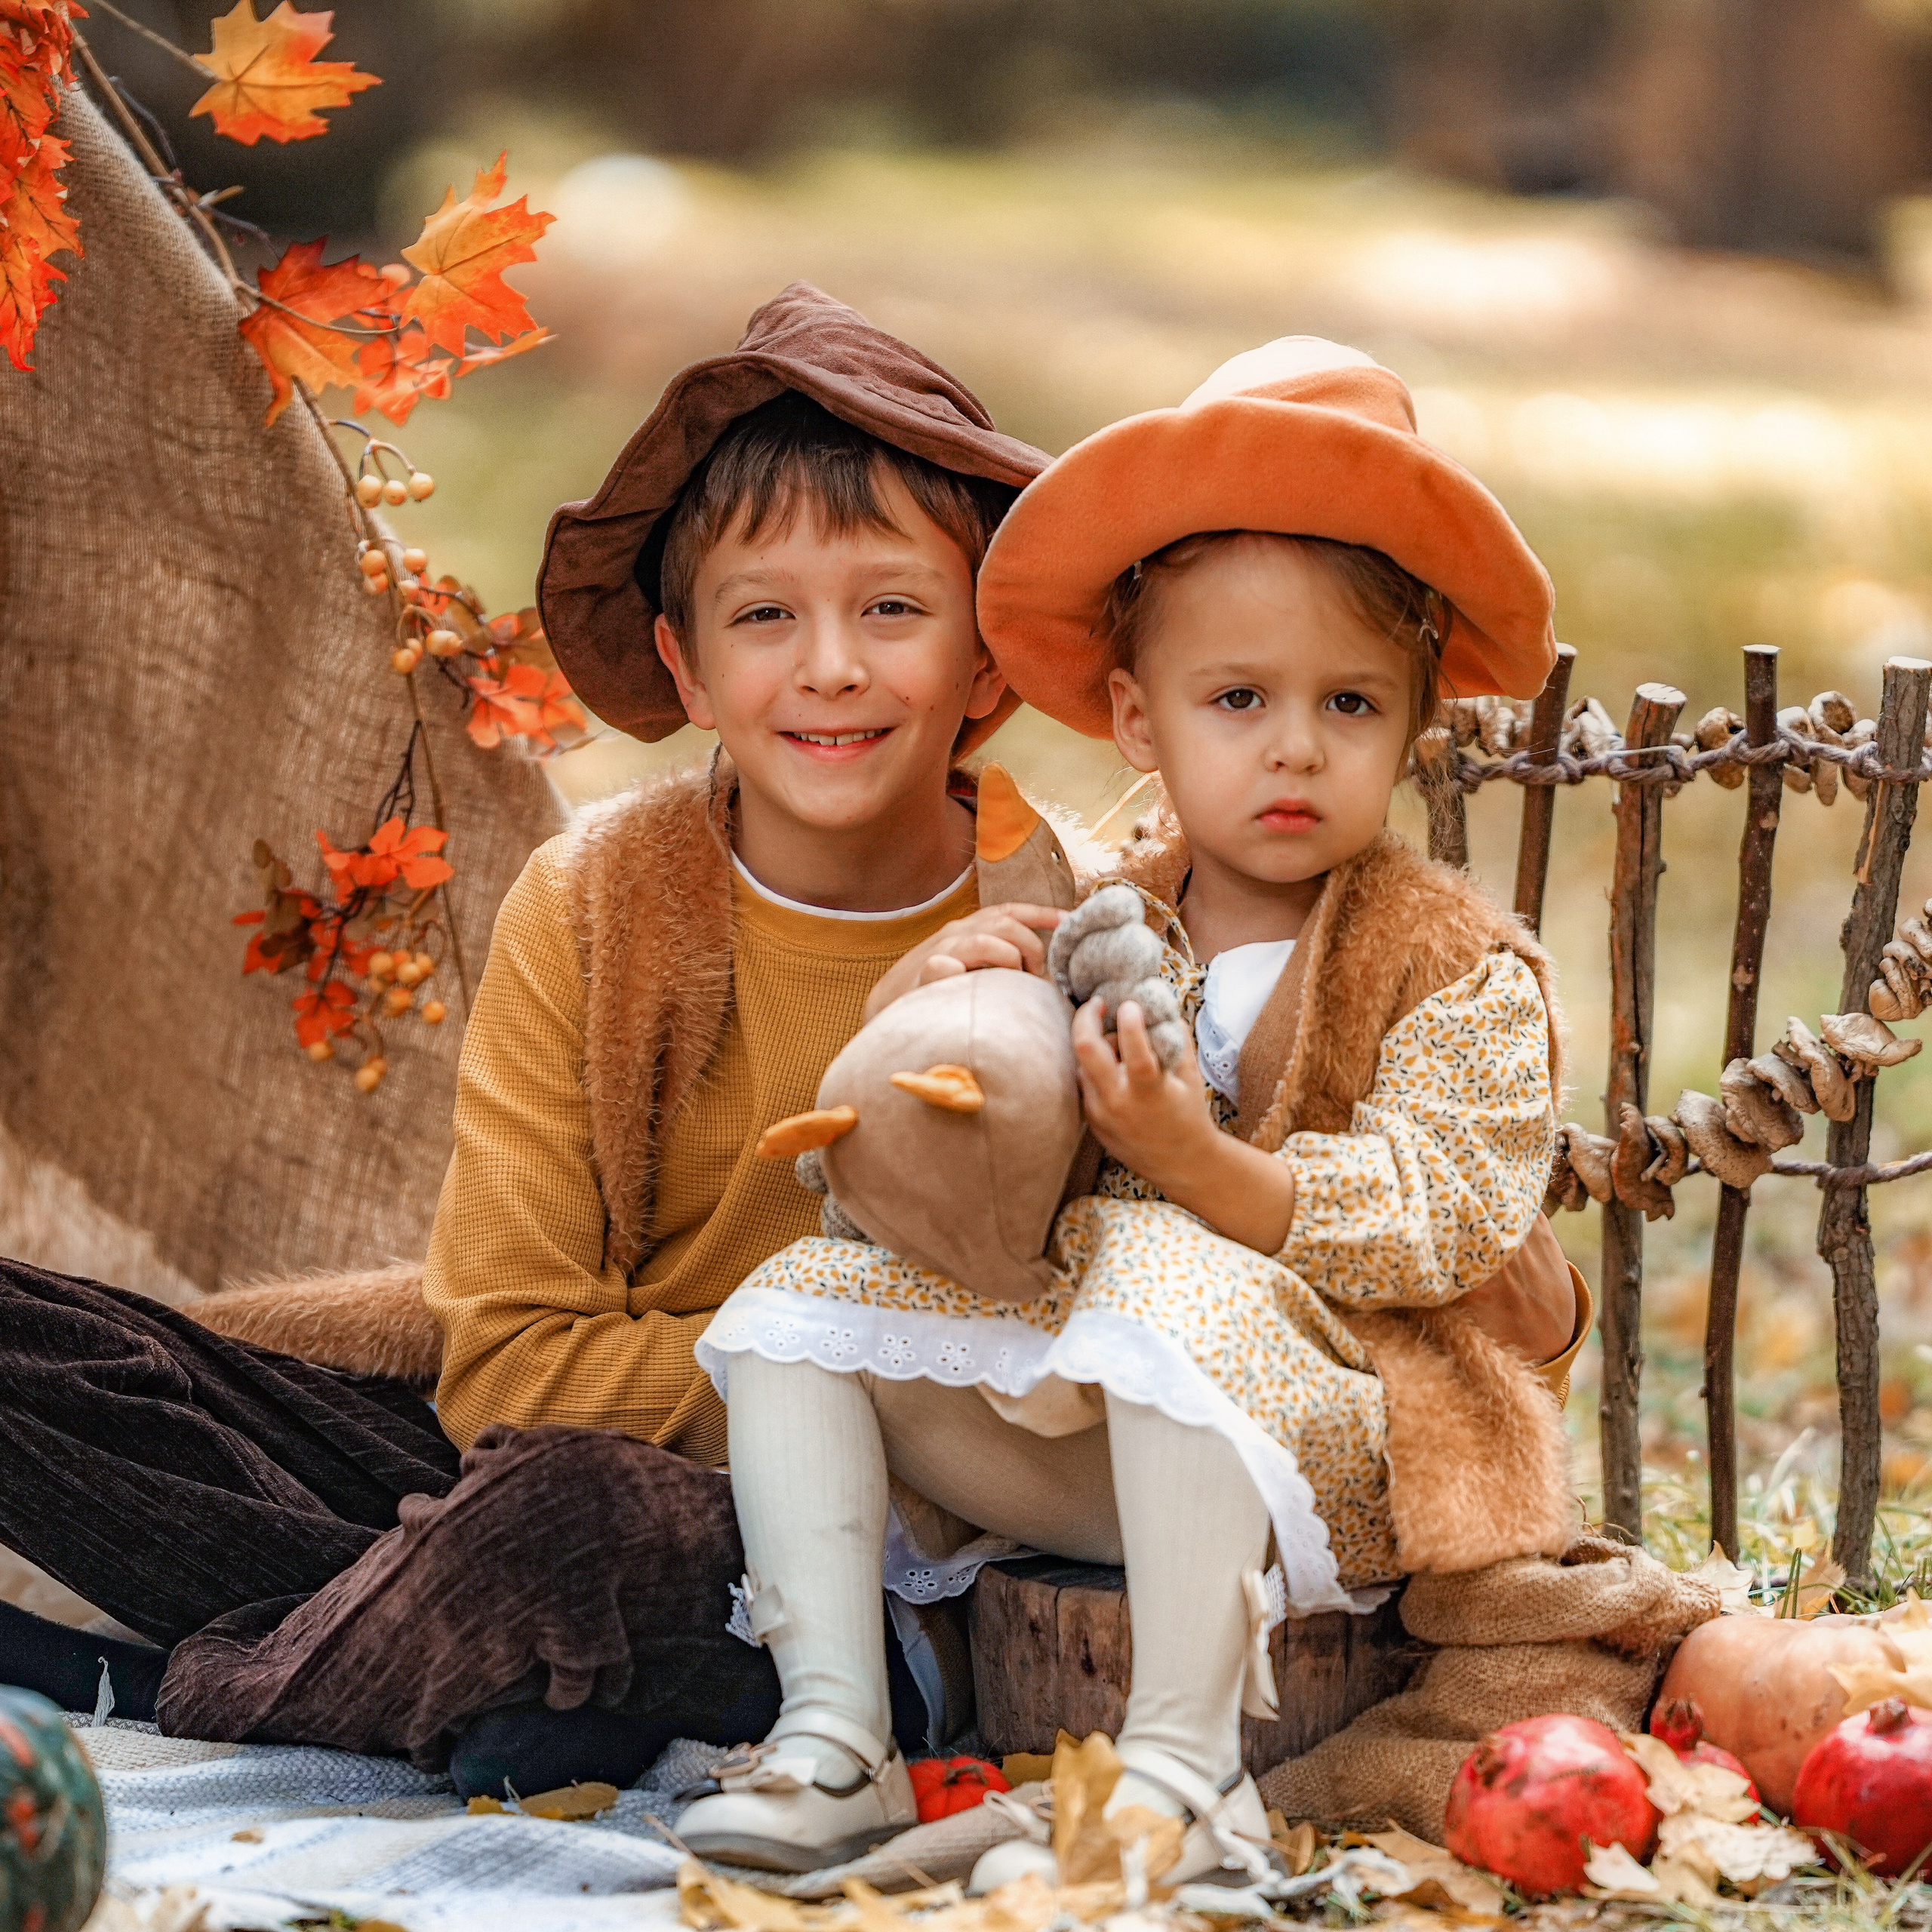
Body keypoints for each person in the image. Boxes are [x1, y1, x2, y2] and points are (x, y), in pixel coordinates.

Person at [0, 284, 1065, 1797]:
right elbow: (504, 1356)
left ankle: (190, 1676)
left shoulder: (1068, 916)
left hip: (853, 1548)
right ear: (688, 667)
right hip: (552, 1445)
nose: (828, 664)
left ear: (988, 658)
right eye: (764, 614)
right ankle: (503, 1669)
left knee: (564, 1525)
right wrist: (836, 1365)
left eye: (891, 606)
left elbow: (1055, 1365)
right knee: (57, 1349)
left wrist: (854, 1409)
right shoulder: (601, 900)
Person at [679, 335, 1592, 1877]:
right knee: (795, 1294)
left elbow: (1439, 1215)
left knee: (1170, 1266)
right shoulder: (1102, 922)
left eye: (1348, 702)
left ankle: (1178, 1770)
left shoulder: (1456, 965)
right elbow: (972, 1172)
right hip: (1093, 1444)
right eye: (1236, 696)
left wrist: (1197, 1159)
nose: (1293, 743)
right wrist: (937, 999)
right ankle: (834, 1732)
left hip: (1338, 1464)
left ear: (1412, 724)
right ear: (1134, 715)